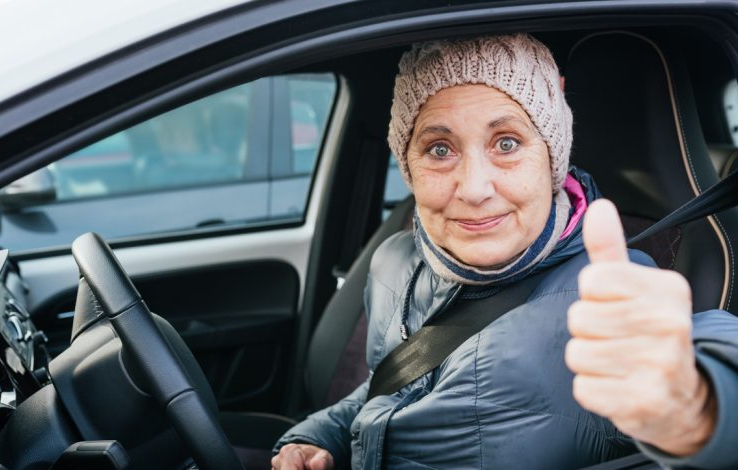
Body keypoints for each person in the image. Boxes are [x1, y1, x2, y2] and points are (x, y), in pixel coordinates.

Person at [271, 34, 738, 469]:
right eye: (438, 149)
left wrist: (693, 406)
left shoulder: (608, 288)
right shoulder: (394, 259)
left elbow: (697, 357)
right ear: (408, 164)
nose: (474, 189)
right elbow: (381, 392)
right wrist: (313, 438)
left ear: (552, 158)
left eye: (507, 143)